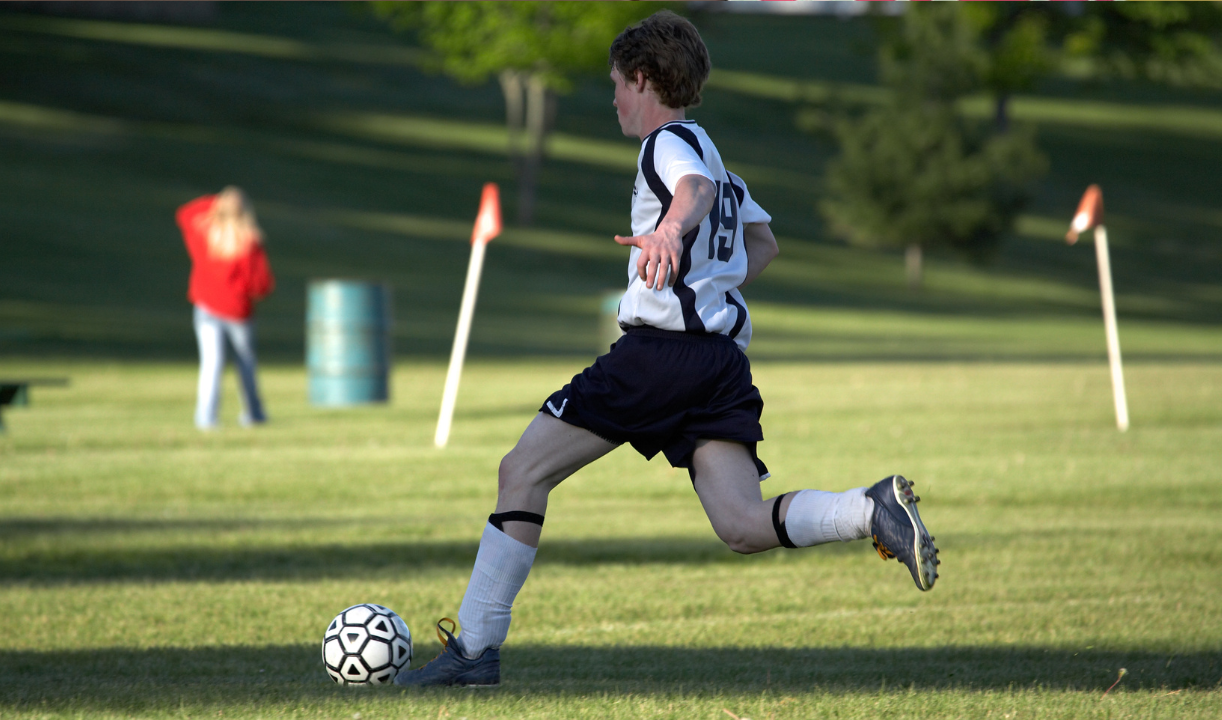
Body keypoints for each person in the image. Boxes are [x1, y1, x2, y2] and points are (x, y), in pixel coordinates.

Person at [396, 11, 939, 688]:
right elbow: (763, 243)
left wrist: (671, 234)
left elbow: (693, 192)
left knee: (521, 472)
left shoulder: (669, 149)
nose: (616, 99)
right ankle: (871, 508)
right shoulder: (716, 154)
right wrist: (706, 279)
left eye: (618, 85)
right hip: (719, 363)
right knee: (740, 525)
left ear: (643, 78)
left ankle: (474, 653)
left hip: (660, 357)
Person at [176, 186, 274, 430]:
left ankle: (206, 418)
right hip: (239, 312)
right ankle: (254, 414)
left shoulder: (203, 235)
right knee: (246, 364)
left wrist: (216, 201)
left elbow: (185, 213)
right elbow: (262, 284)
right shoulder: (249, 242)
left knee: (212, 364)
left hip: (206, 308)